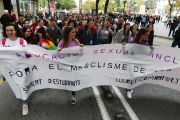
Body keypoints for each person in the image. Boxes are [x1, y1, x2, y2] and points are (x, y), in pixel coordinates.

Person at [1, 23, 28, 115]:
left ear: (16, 30)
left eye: (11, 30)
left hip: (21, 66)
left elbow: (28, 55)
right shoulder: (3, 41)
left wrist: (26, 49)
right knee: (16, 84)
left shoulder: (22, 41)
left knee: (22, 84)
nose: (9, 32)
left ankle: (25, 104)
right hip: (9, 68)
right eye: (7, 30)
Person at [123, 28, 154, 98]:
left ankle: (129, 87)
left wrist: (152, 50)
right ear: (141, 34)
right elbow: (124, 52)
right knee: (132, 76)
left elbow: (148, 55)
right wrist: (123, 47)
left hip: (139, 63)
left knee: (134, 76)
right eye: (146, 35)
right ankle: (129, 90)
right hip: (131, 62)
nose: (147, 37)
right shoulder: (132, 42)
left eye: (148, 35)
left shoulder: (146, 43)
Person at [56, 26, 84, 104]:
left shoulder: (76, 41)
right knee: (68, 79)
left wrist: (81, 47)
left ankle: (73, 96)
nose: (74, 33)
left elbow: (80, 53)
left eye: (75, 32)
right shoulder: (63, 42)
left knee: (73, 79)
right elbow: (56, 50)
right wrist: (59, 50)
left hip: (74, 64)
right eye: (73, 32)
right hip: (66, 64)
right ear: (68, 33)